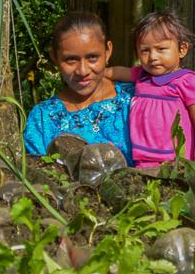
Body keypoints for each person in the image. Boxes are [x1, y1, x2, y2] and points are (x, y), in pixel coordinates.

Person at [24, 12, 134, 162]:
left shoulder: (136, 99)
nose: (83, 71)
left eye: (92, 58)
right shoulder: (43, 119)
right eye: (71, 60)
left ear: (107, 51)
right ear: (54, 57)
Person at [108, 10, 195, 164]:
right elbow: (120, 72)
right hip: (143, 155)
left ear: (182, 49)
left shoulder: (186, 81)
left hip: (177, 156)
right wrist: (100, 72)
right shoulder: (141, 75)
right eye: (145, 50)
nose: (153, 57)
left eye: (161, 49)